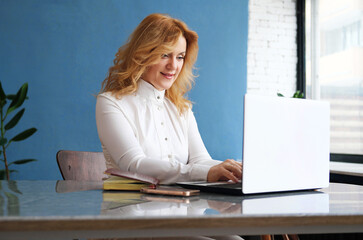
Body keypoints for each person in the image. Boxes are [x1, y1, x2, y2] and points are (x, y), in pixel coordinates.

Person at [96, 13, 242, 186]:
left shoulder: (182, 108)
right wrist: (205, 172)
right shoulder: (111, 103)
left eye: (180, 57)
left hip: (179, 206)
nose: (173, 66)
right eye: (164, 54)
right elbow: (133, 165)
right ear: (143, 54)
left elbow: (200, 160)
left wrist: (234, 169)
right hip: (130, 208)